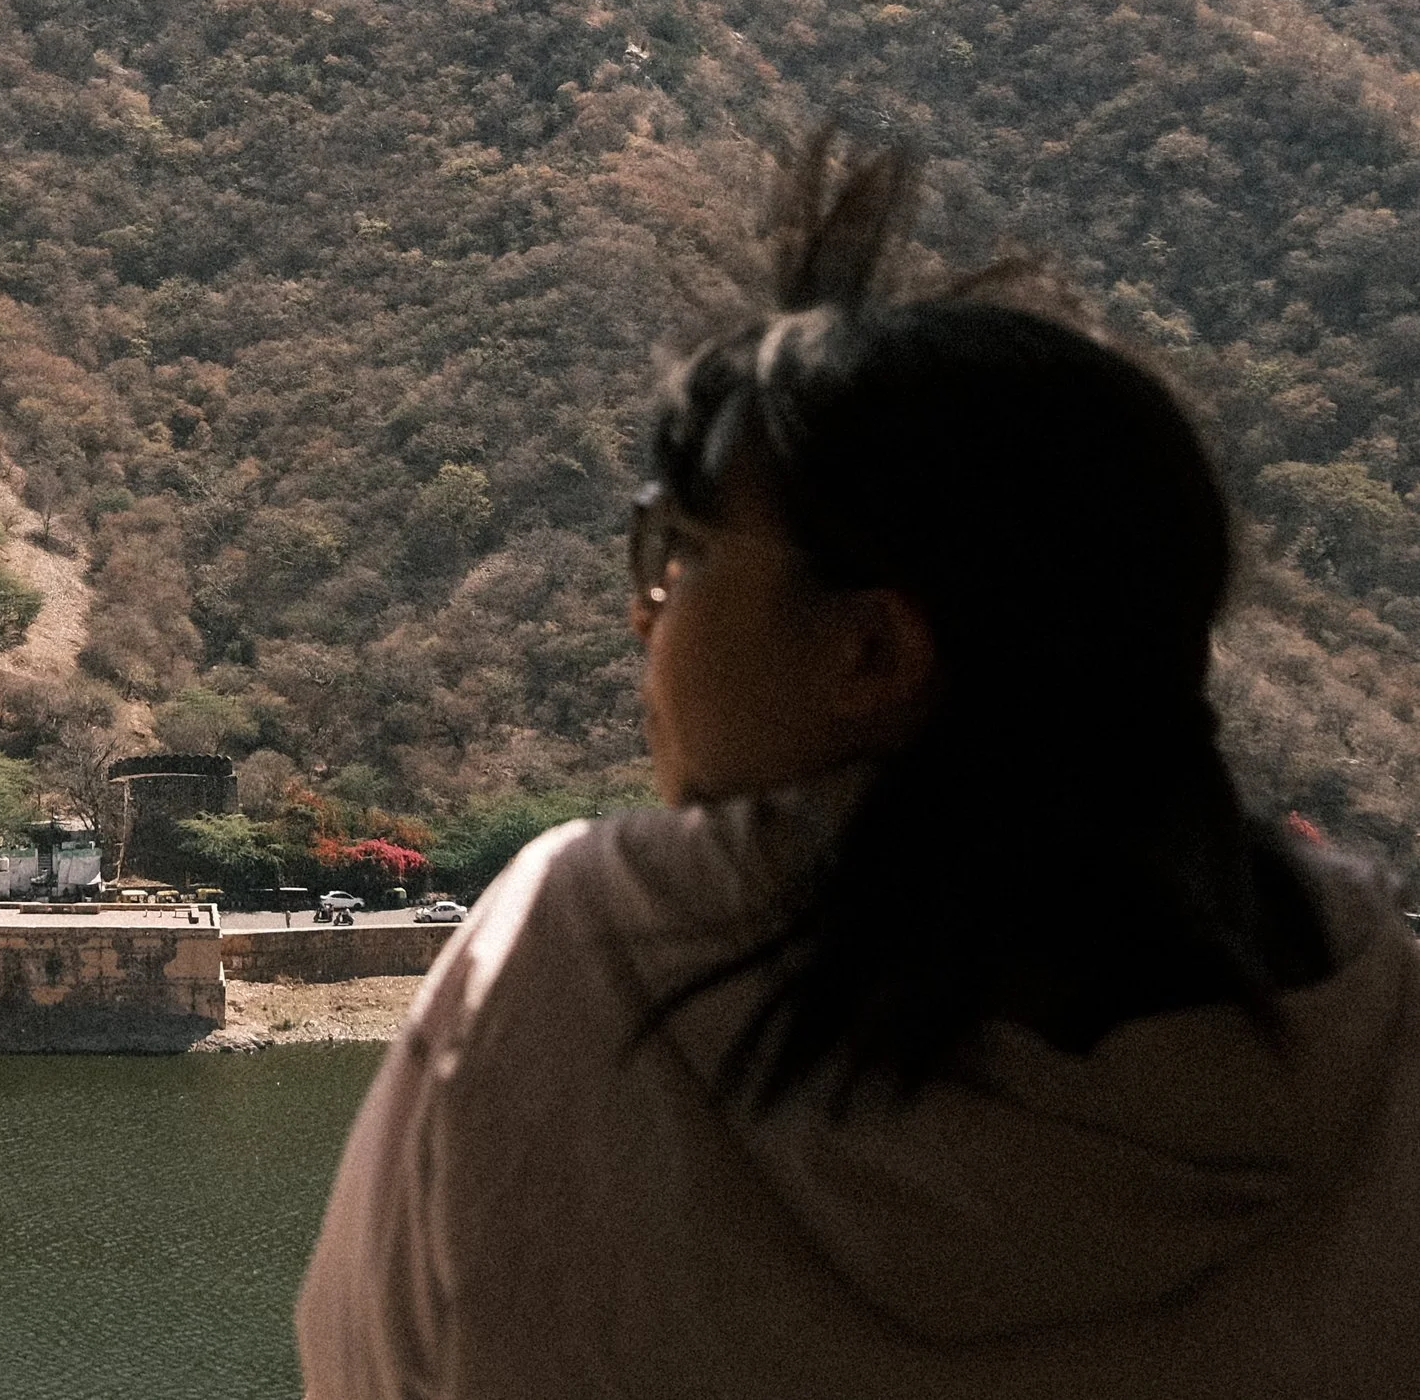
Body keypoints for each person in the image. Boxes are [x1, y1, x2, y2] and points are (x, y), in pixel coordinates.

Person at [297, 134, 1420, 1399]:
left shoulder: (585, 947)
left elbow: (367, 1367)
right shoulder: (1373, 1021)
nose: (643, 612)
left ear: (873, 649)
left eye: (679, 554)